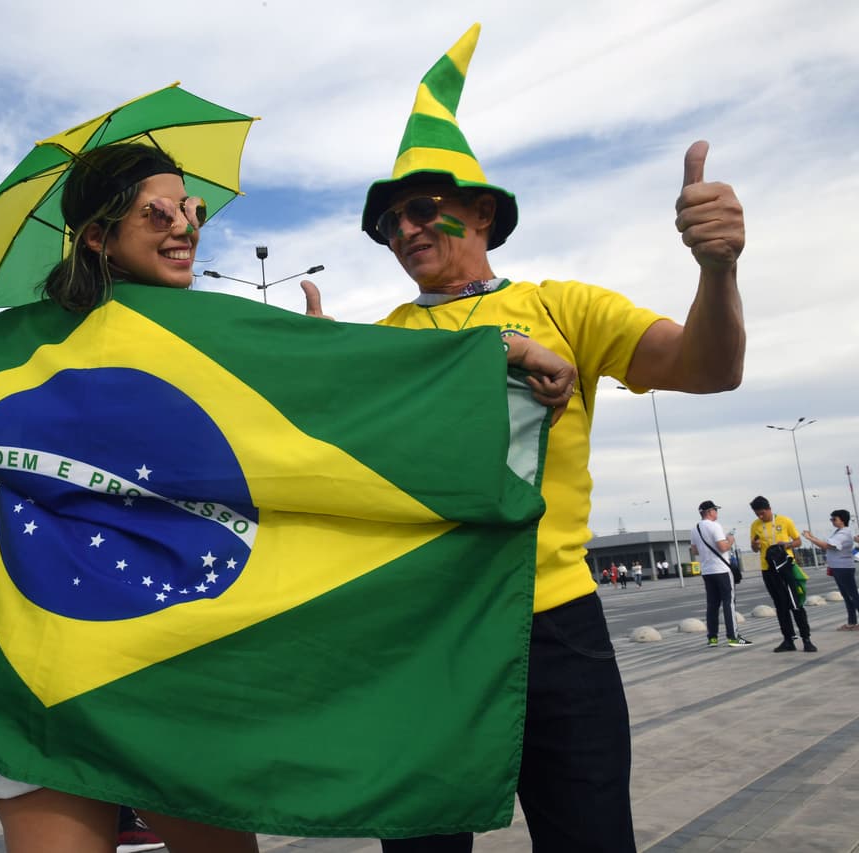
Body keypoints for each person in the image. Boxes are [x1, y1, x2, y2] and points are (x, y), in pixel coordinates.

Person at [0, 140, 577, 853]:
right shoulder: (19, 345)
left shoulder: (225, 332)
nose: (185, 227)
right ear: (98, 236)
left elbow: (363, 384)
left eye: (192, 211)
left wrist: (498, 349)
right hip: (40, 662)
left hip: (179, 665)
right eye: (159, 214)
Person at [305, 24, 745, 852]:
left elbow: (708, 368)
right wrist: (316, 364)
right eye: (388, 221)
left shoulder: (566, 306)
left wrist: (716, 269)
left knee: (589, 838)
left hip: (554, 621)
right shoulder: (383, 339)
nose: (403, 230)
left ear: (481, 211)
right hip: (423, 631)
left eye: (421, 207)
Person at [749, 495, 815, 653]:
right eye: (757, 514)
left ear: (769, 509)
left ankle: (806, 639)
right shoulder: (755, 525)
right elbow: (754, 549)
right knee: (780, 605)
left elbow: (798, 541)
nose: (760, 516)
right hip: (768, 569)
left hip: (785, 566)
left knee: (795, 603)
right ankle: (788, 640)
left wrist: (787, 544)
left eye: (762, 513)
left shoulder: (785, 521)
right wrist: (754, 545)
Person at [688, 500, 750, 647]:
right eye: (715, 510)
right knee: (729, 603)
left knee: (712, 604)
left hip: (707, 571)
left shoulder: (695, 529)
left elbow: (695, 551)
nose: (717, 513)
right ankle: (733, 637)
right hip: (721, 569)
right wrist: (730, 540)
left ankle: (712, 638)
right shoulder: (715, 526)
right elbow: (723, 547)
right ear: (710, 512)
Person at [803, 509, 859, 631]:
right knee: (848, 596)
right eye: (831, 519)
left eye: (834, 519)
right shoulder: (839, 532)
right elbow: (826, 543)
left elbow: (826, 546)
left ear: (842, 520)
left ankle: (852, 622)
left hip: (843, 568)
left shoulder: (843, 533)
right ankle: (852, 622)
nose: (832, 521)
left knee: (853, 596)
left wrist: (809, 538)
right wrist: (812, 537)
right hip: (839, 568)